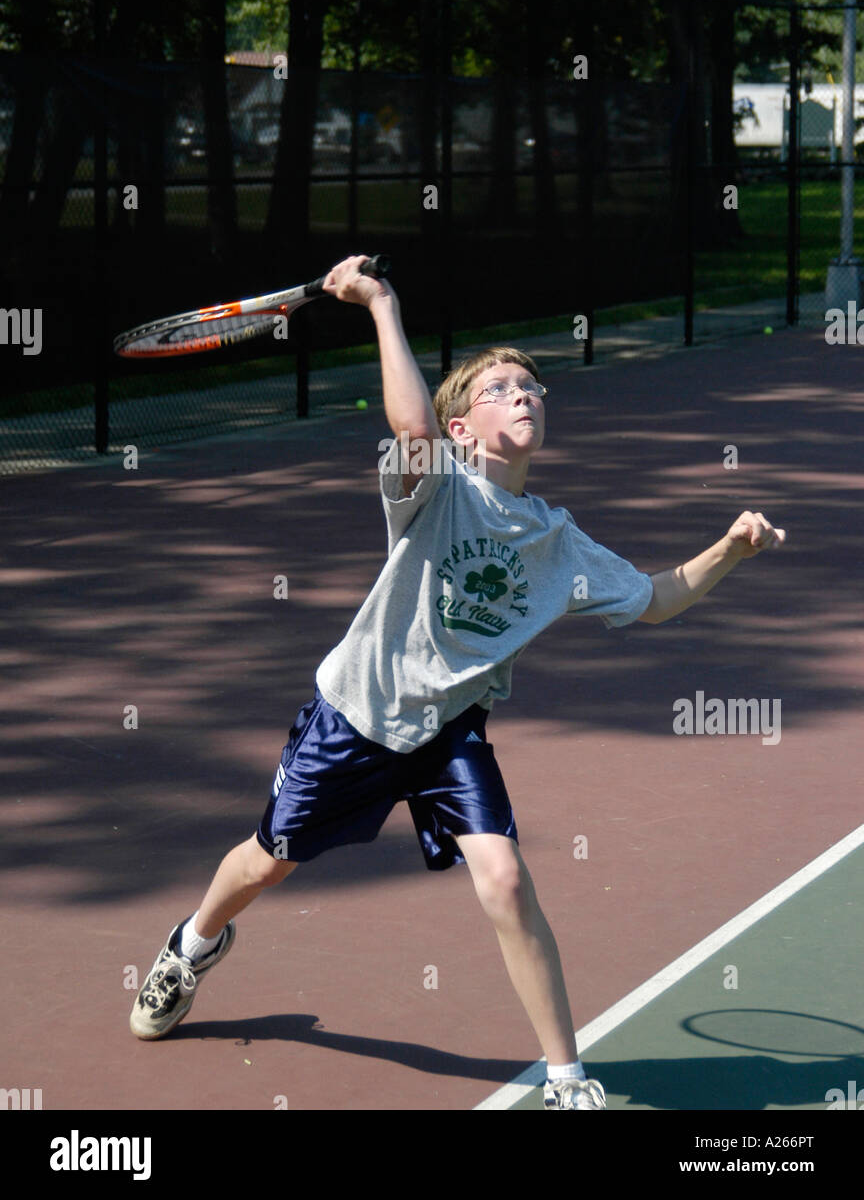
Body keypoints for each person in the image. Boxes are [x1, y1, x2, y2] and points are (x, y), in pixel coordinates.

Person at [129, 255, 786, 1111]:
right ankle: (192, 945)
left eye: (533, 388)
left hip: (449, 731)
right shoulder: (436, 486)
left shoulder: (559, 541)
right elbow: (410, 429)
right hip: (356, 716)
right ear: (463, 432)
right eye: (500, 390)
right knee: (267, 862)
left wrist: (728, 550)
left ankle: (565, 1080)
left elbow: (657, 600)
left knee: (507, 880)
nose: (524, 395)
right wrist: (381, 305)